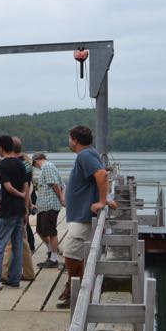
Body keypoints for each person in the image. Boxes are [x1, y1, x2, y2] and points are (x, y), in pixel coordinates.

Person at [57, 126, 111, 308]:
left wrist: (102, 201)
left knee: (71, 252)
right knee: (76, 253)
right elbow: (99, 177)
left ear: (75, 140)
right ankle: (76, 291)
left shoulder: (85, 155)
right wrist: (104, 198)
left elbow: (102, 175)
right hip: (79, 215)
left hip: (82, 216)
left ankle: (75, 288)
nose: (68, 141)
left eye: (69, 138)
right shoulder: (89, 154)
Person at [0, 135, 28, 289]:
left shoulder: (2, 166)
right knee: (17, 245)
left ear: (1, 148)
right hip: (20, 209)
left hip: (8, 209)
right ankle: (14, 278)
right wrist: (25, 202)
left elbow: (7, 187)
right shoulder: (21, 164)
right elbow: (26, 186)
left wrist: (20, 195)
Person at [32, 152, 65, 269]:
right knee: (40, 230)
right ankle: (51, 252)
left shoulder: (47, 166)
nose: (35, 166)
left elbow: (54, 184)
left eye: (34, 164)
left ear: (36, 160)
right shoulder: (49, 167)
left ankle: (54, 259)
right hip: (43, 205)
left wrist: (61, 198)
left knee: (51, 232)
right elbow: (61, 184)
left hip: (50, 205)